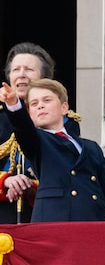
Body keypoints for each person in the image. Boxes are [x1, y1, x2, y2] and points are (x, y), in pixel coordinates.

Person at [0, 79, 105, 222]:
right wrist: (13, 103)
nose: (40, 106)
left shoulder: (91, 147)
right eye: (34, 104)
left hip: (94, 223)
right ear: (29, 114)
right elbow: (22, 127)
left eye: (47, 100)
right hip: (53, 223)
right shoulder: (36, 140)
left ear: (64, 108)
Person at [0, 42, 82, 224]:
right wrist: (5, 181)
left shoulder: (65, 120)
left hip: (45, 211)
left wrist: (30, 185)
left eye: (29, 69)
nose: (21, 74)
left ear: (44, 78)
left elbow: (66, 170)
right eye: (16, 69)